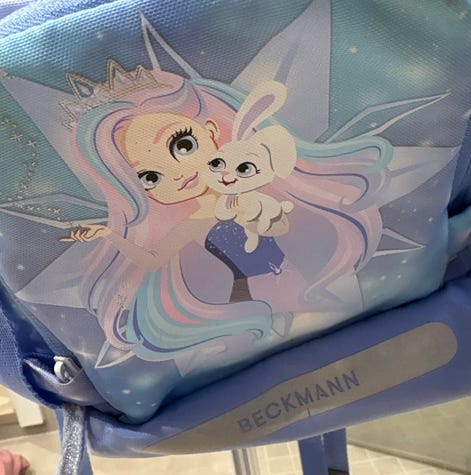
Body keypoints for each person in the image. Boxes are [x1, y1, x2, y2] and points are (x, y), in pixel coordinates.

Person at [60, 63, 393, 362]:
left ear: (210, 131)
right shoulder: (193, 223)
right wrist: (109, 234)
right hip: (252, 294)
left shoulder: (252, 184)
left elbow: (282, 228)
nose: (178, 174)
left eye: (183, 145)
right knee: (294, 339)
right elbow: (151, 261)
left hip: (289, 276)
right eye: (150, 177)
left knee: (319, 330)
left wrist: (264, 217)